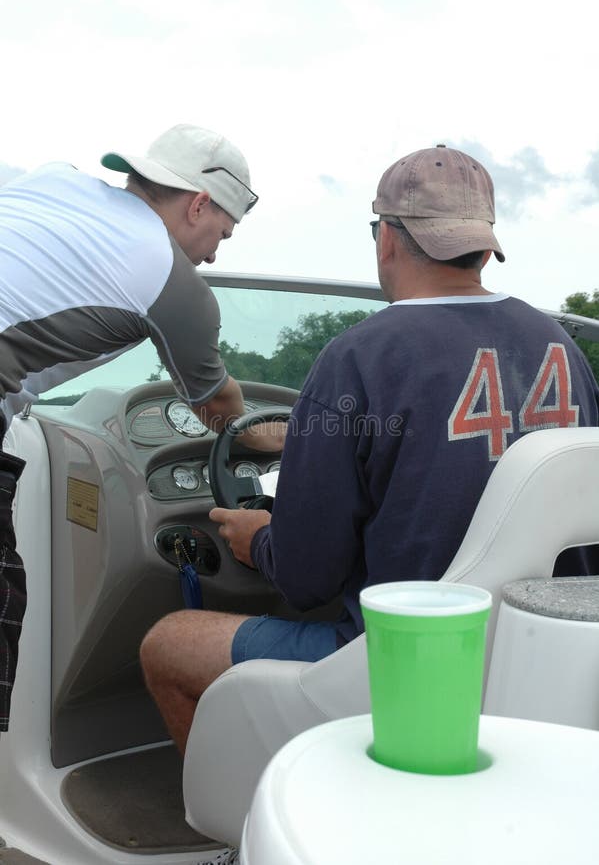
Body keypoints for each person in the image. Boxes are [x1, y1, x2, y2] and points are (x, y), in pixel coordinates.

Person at [140, 144, 599, 755]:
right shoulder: (560, 346)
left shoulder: (359, 357)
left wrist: (261, 540)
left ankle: (249, 834)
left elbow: (307, 579)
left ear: (384, 238)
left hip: (403, 663)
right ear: (487, 246)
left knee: (166, 644)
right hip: (540, 662)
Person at [0, 123, 283, 732]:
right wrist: (295, 440)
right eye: (221, 233)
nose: (214, 254)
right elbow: (223, 413)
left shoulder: (53, 182)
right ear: (199, 204)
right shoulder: (170, 280)